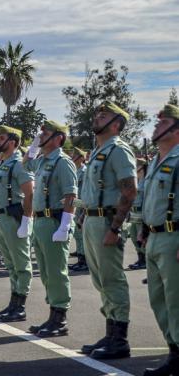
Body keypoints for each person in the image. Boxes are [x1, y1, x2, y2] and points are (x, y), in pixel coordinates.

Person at [79, 101, 137, 359]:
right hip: (92, 220)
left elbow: (129, 191)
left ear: (116, 124)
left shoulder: (118, 150)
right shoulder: (98, 150)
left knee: (112, 280)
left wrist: (115, 227)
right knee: (101, 281)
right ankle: (110, 331)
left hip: (106, 222)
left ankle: (120, 340)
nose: (97, 117)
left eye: (104, 115)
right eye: (97, 113)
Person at [24, 120, 76, 337]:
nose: (41, 134)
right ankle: (52, 314)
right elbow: (25, 164)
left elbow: (71, 196)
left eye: (45, 133)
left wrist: (65, 225)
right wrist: (35, 143)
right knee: (45, 272)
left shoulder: (63, 162)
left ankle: (59, 318)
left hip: (55, 222)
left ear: (58, 138)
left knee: (56, 272)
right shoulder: (44, 160)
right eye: (40, 132)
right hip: (41, 222)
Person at [140, 104, 179, 376]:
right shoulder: (156, 160)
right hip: (154, 236)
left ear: (176, 129)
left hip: (174, 236)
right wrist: (144, 229)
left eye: (162, 122)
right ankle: (173, 350)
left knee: (176, 300)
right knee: (158, 299)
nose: (156, 125)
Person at [0, 125, 35, 322]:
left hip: (15, 218)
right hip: (2, 218)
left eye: (2, 138)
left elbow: (30, 193)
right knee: (10, 264)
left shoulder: (18, 164)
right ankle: (13, 302)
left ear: (13, 142)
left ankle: (20, 306)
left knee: (21, 264)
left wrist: (26, 220)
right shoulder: (4, 163)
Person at [69, 147, 89, 272]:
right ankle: (81, 258)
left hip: (82, 204)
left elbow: (86, 190)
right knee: (77, 234)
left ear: (81, 158)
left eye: (75, 155)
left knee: (82, 234)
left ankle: (84, 261)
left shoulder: (85, 171)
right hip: (75, 204)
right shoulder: (74, 170)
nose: (72, 157)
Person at [126, 158, 147, 270]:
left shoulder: (146, 181)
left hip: (141, 212)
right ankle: (141, 259)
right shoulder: (136, 181)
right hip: (133, 212)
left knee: (141, 238)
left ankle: (146, 261)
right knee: (134, 237)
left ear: (141, 168)